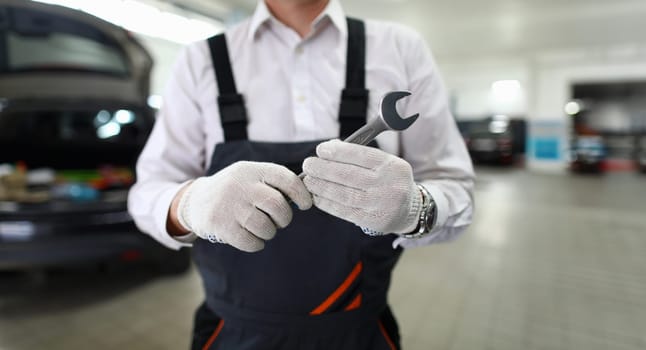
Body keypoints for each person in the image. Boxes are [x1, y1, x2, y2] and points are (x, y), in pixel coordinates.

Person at [128, 0, 475, 348]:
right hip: (232, 335)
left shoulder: (400, 48)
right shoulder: (199, 59)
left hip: (360, 334)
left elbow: (456, 189)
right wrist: (191, 204)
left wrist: (418, 209)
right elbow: (147, 193)